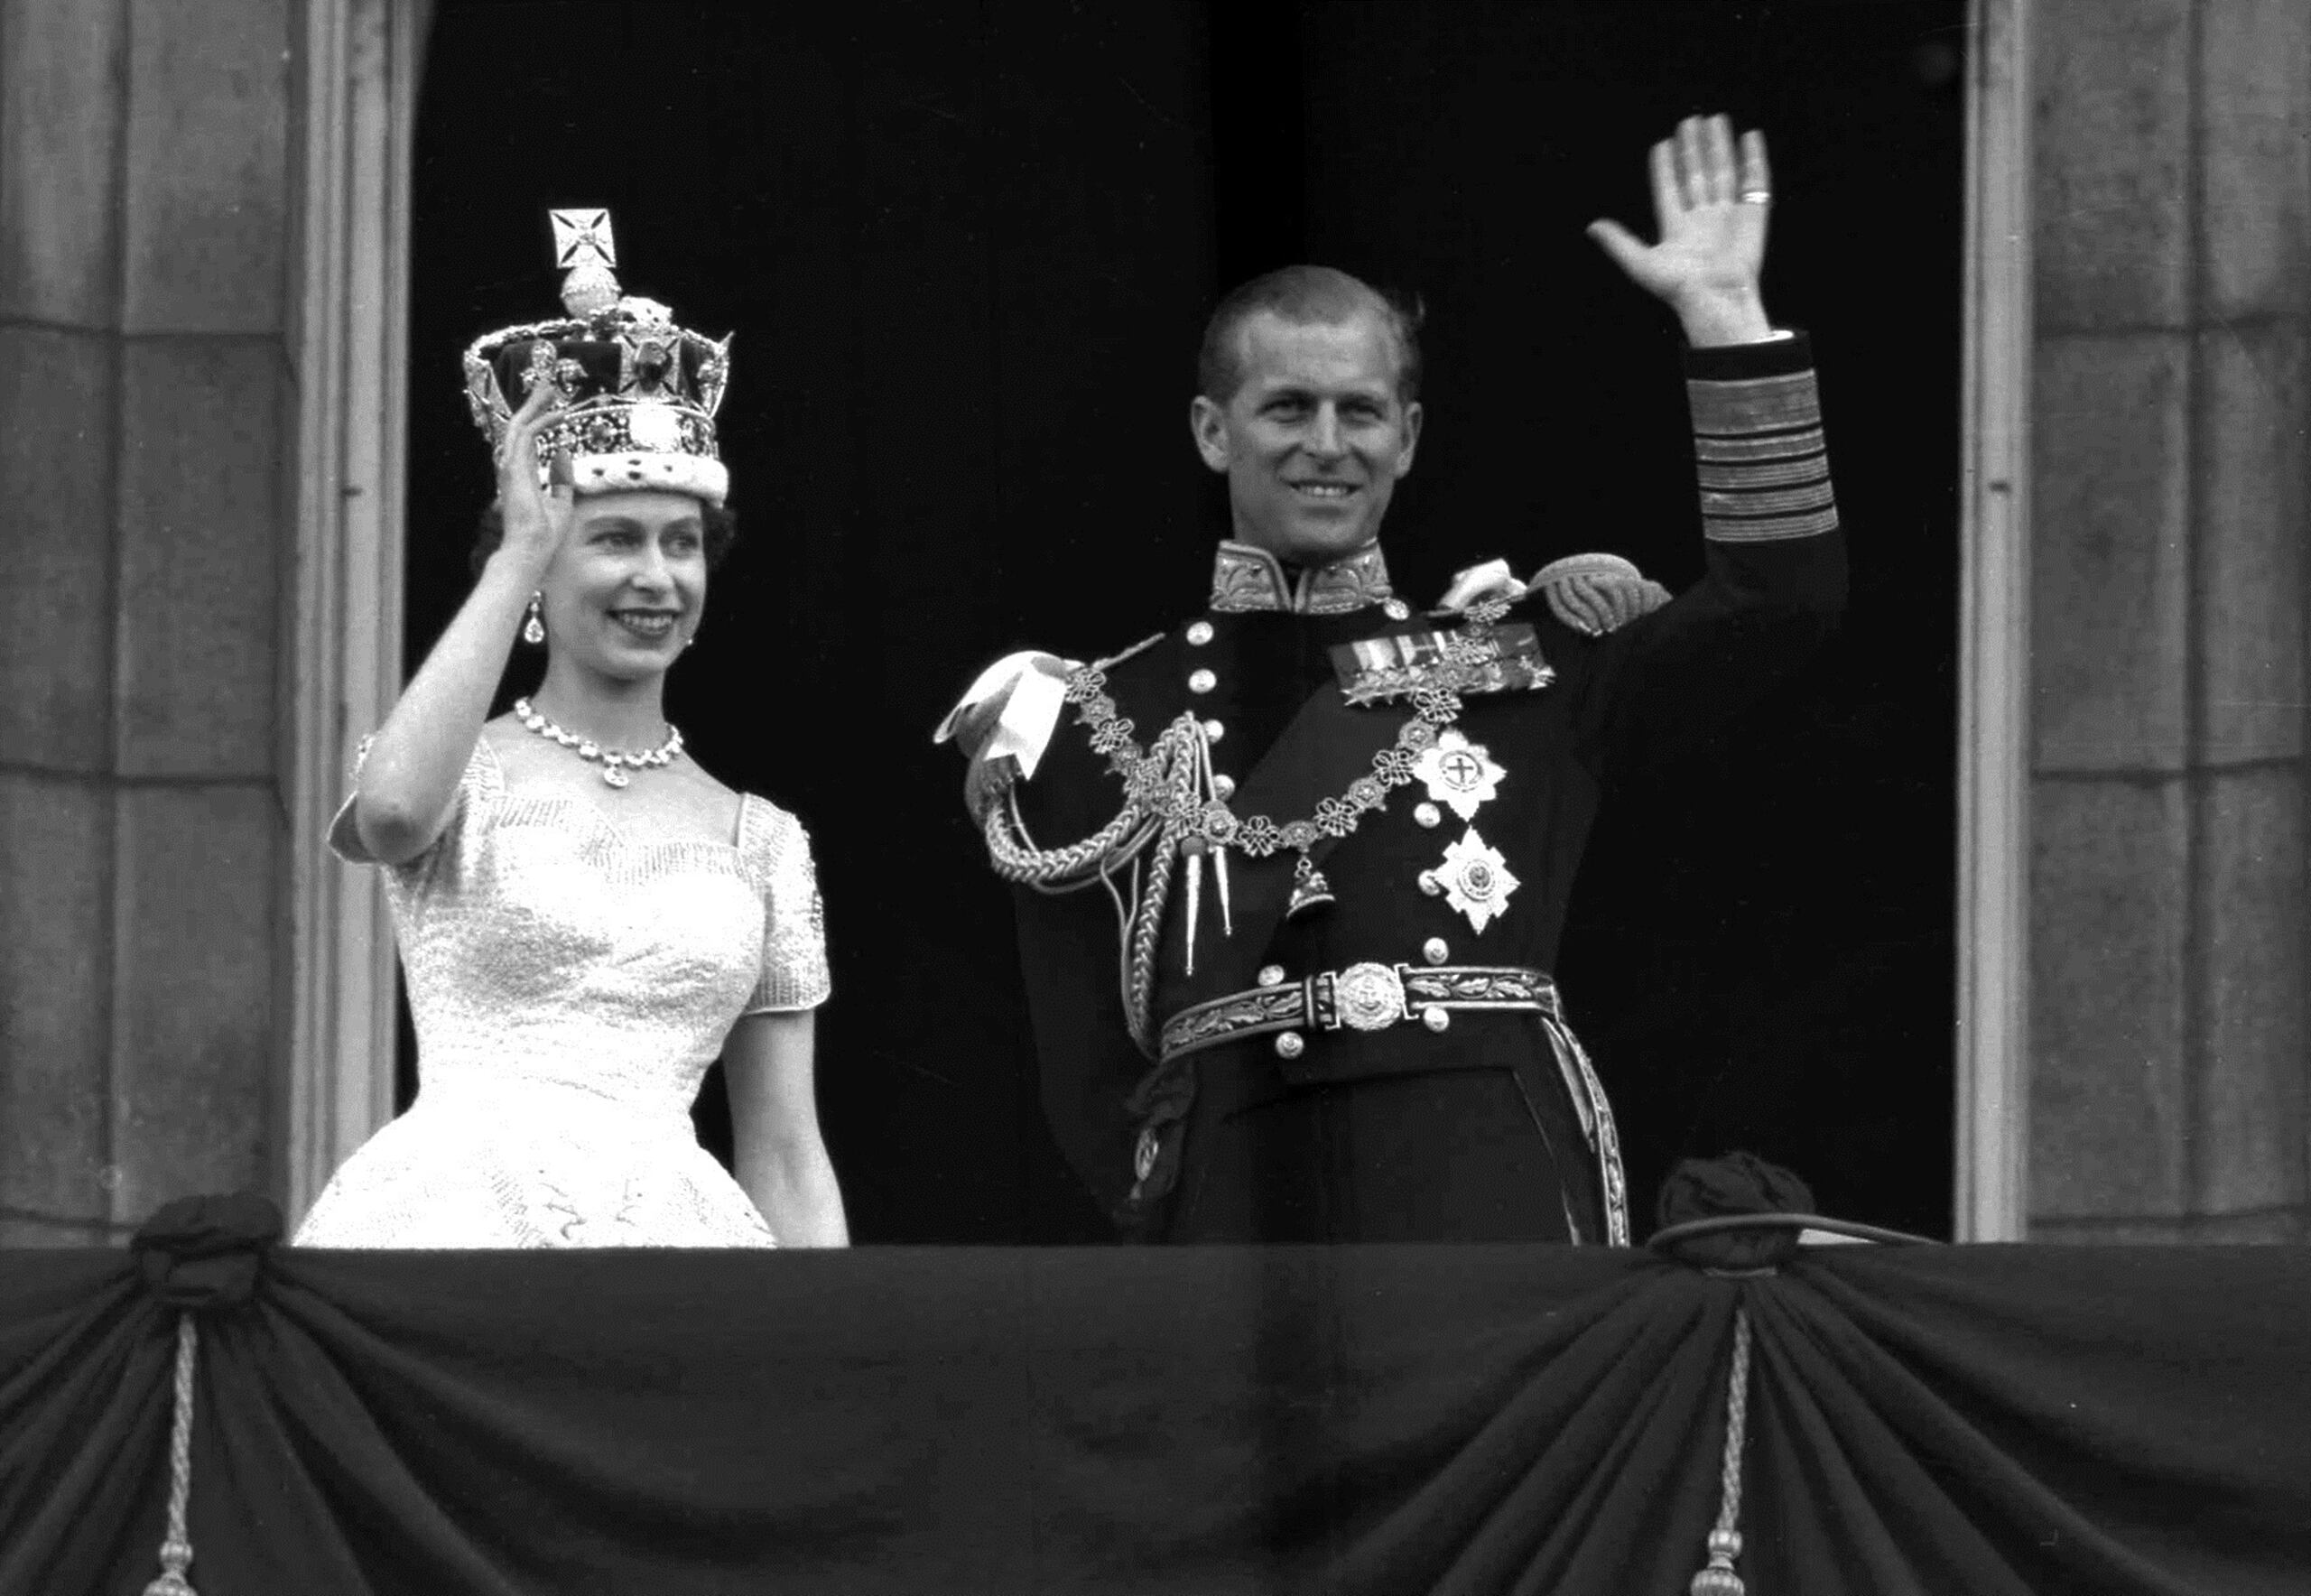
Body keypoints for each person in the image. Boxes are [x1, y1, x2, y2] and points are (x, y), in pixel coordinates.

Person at [940, 116, 1843, 1245]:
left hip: (1484, 1188)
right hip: (1232, 1209)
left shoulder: (1524, 661)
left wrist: (1725, 319)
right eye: (1287, 408)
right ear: (1213, 432)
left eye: (1359, 411)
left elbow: (1782, 604)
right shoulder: (1093, 718)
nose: (1328, 442)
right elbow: (1082, 1071)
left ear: (1407, 436)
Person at [296, 211, 847, 1248]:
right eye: (613, 540)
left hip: (675, 1251)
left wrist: (838, 1369)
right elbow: (393, 812)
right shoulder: (462, 768)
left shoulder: (762, 841)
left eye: (682, 543)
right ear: (542, 564)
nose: (656, 575)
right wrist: (517, 552)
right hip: (451, 1230)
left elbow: (783, 1149)